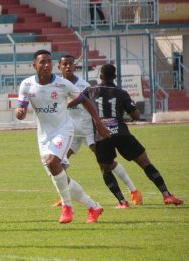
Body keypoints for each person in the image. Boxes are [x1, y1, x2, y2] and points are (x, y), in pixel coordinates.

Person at [15, 49, 109, 224]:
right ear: (34, 65)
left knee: (53, 162)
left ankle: (67, 207)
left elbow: (85, 100)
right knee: (59, 176)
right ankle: (93, 206)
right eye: (42, 62)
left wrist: (98, 123)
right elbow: (21, 107)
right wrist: (20, 112)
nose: (47, 65)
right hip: (43, 137)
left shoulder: (62, 84)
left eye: (49, 61)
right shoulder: (27, 84)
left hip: (64, 131)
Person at [82, 64, 184, 207]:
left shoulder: (89, 91)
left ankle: (122, 202)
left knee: (106, 170)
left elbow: (78, 101)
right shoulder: (121, 92)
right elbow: (136, 115)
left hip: (102, 135)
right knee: (145, 163)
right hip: (122, 134)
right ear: (115, 77)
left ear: (100, 76)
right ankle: (166, 195)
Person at [57, 54, 142, 209]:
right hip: (71, 131)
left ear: (75, 66)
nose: (68, 66)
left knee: (107, 163)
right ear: (60, 67)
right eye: (65, 64)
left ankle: (133, 190)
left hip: (89, 129)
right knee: (59, 162)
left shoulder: (83, 85)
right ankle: (66, 196)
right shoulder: (58, 84)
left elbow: (83, 105)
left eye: (70, 64)